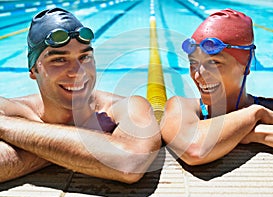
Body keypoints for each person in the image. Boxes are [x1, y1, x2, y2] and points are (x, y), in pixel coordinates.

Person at [0, 7, 161, 183]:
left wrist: (7, 127)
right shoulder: (10, 108)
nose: (78, 72)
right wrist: (94, 139)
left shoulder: (126, 107)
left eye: (85, 57)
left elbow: (129, 164)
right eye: (59, 60)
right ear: (33, 70)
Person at [160, 8, 273, 166]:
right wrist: (254, 114)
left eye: (214, 63)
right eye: (193, 63)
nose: (198, 75)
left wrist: (255, 133)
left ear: (246, 65)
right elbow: (194, 150)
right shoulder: (181, 106)